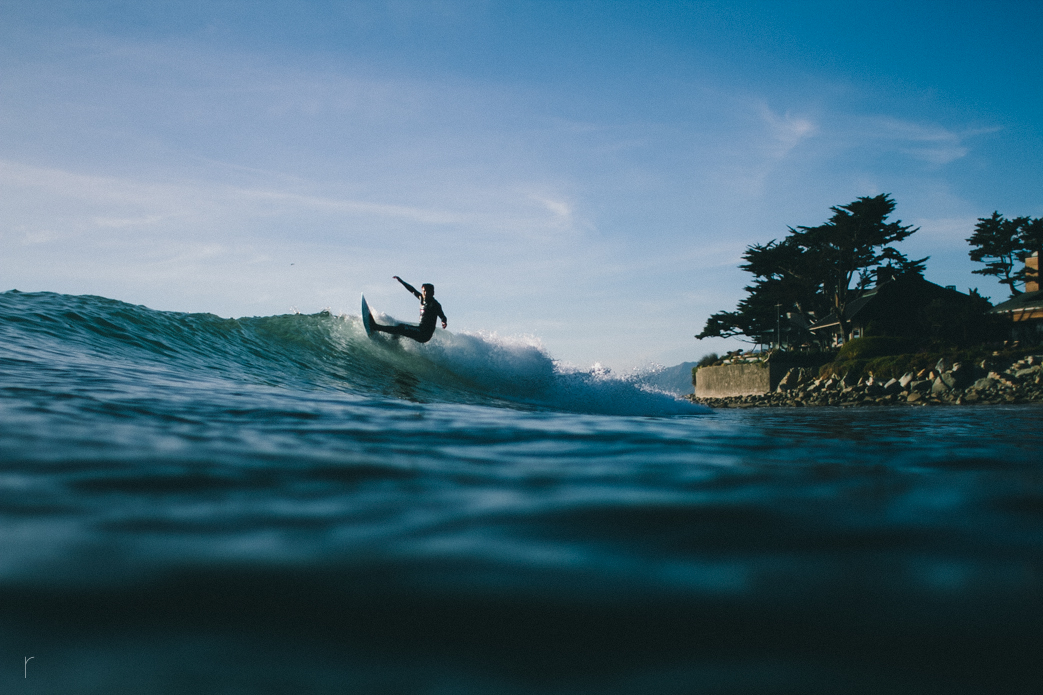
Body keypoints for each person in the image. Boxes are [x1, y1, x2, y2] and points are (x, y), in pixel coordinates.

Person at [368, 276, 447, 343]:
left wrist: (444, 322)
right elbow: (412, 290)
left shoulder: (435, 305)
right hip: (420, 330)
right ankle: (393, 342)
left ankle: (375, 327)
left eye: (428, 291)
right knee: (400, 326)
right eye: (424, 291)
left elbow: (443, 316)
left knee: (401, 328)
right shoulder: (421, 298)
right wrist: (402, 282)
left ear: (433, 293)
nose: (425, 293)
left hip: (424, 334)